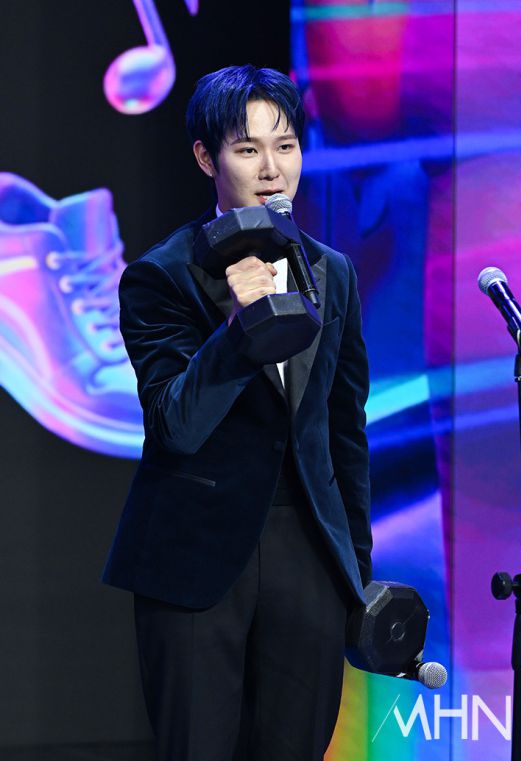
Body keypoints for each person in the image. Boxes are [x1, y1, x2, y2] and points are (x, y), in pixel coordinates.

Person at [102, 64, 372, 761]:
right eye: (248, 149)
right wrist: (238, 331)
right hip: (196, 555)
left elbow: (346, 431)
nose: (272, 169)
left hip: (307, 554)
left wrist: (356, 572)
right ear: (206, 158)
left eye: (286, 146)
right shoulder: (161, 275)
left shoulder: (333, 272)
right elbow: (176, 424)